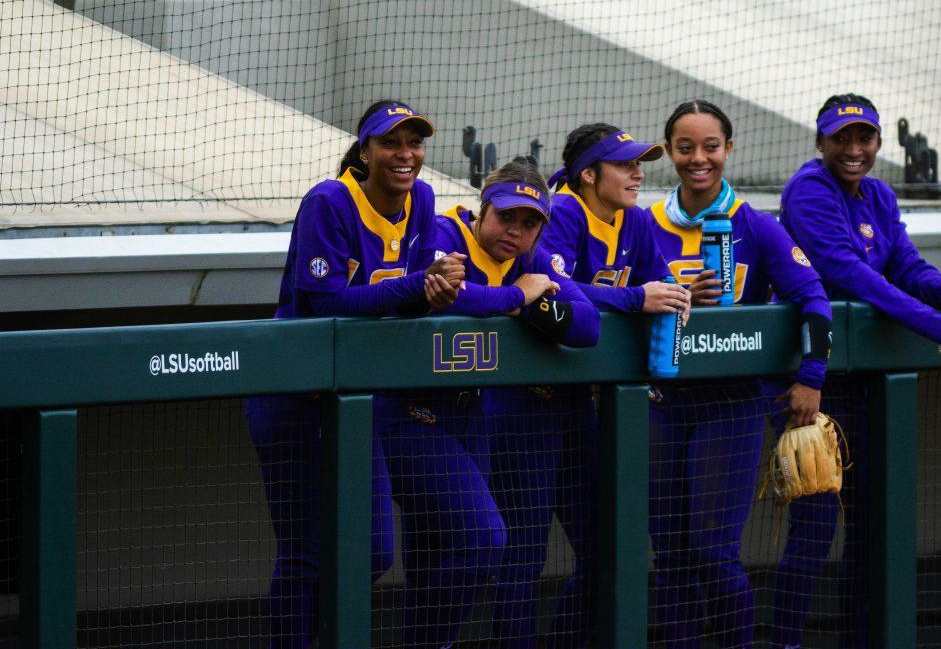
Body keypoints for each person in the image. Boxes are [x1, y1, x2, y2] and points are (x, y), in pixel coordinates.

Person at [244, 100, 468, 649]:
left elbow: (409, 299)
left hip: (355, 396)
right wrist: (415, 288)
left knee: (372, 549)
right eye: (391, 142)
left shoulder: (423, 200)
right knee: (305, 553)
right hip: (295, 393)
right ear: (365, 150)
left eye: (415, 142)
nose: (406, 154)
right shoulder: (330, 200)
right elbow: (322, 303)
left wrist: (435, 288)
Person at [773, 92, 941, 649]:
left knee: (872, 527)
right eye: (840, 138)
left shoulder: (878, 194)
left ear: (875, 142)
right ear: (820, 142)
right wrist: (937, 326)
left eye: (863, 138)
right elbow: (850, 276)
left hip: (869, 385)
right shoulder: (808, 190)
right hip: (816, 382)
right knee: (815, 529)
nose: (853, 149)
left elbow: (904, 266)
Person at [484, 125, 689, 649]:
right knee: (524, 552)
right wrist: (636, 298)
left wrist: (677, 296)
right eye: (625, 165)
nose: (638, 174)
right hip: (522, 405)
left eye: (640, 163)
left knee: (609, 546)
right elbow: (561, 290)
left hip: (578, 405)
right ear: (589, 174)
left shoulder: (636, 221)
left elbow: (659, 287)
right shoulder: (565, 211)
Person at [646, 100, 833, 649]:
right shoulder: (642, 221)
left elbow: (814, 299)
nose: (698, 159)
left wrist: (811, 376)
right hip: (660, 403)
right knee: (671, 552)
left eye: (710, 147)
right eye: (685, 147)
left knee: (713, 551)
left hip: (731, 407)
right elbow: (612, 293)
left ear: (729, 150)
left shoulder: (754, 225)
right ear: (670, 153)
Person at [428, 158, 602, 646]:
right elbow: (449, 296)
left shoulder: (534, 257)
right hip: (416, 416)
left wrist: (529, 300)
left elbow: (588, 327)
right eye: (507, 217)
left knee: (577, 552)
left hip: (483, 418)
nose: (515, 231)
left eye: (530, 223)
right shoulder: (445, 230)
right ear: (484, 209)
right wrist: (515, 296)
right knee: (481, 553)